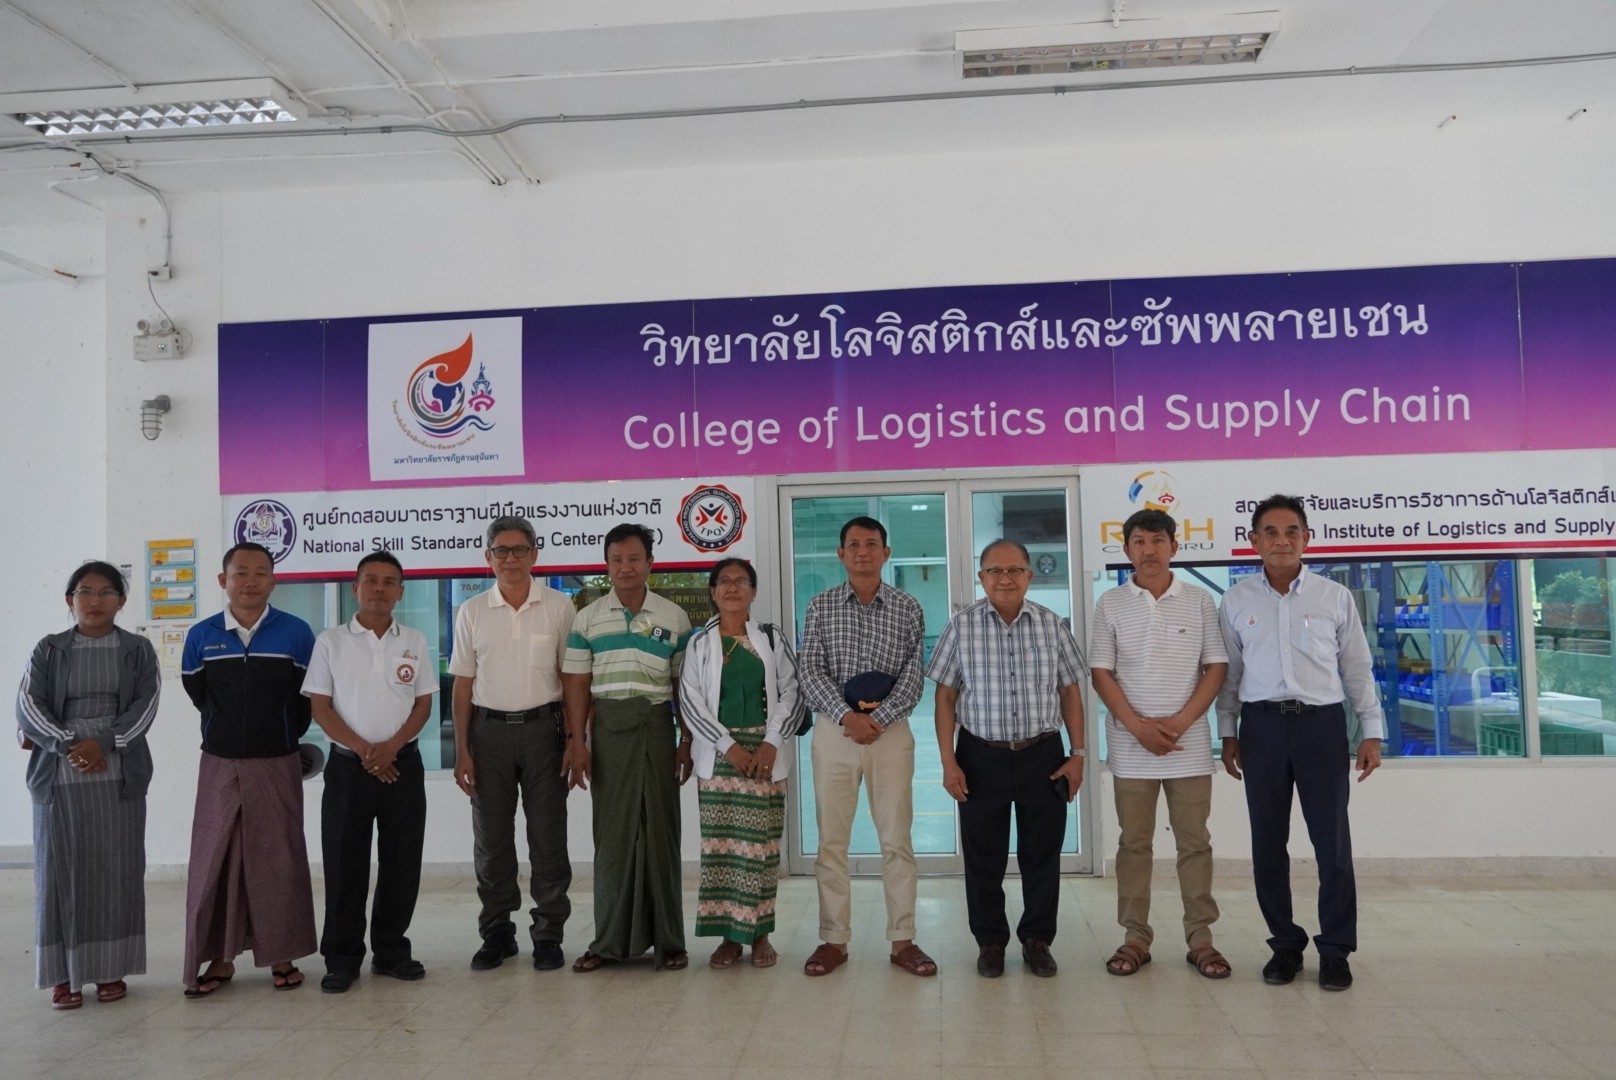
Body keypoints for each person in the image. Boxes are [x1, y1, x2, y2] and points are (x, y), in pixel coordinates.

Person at [1216, 494, 1384, 992]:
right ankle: (1285, 945)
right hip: (1262, 728)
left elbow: (1357, 669)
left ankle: (1335, 950)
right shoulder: (1236, 600)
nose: (1281, 540)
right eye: (1270, 532)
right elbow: (1230, 674)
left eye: (1292, 531)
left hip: (1321, 728)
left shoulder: (1334, 597)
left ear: (1307, 538)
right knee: (1268, 844)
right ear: (1254, 541)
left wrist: (1371, 731)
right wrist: (1228, 732)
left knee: (1332, 844)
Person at [928, 540, 1087, 979]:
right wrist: (949, 762)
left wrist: (1078, 755)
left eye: (1015, 570)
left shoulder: (1052, 625)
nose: (1005, 579)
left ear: (1029, 576)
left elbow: (1070, 691)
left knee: (1042, 854)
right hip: (980, 756)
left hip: (1043, 755)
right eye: (995, 571)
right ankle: (991, 942)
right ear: (981, 578)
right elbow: (945, 697)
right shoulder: (960, 627)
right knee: (983, 857)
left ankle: (1037, 940)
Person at [1090, 510, 1230, 980]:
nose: (1148, 550)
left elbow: (1216, 667)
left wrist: (1182, 722)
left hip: (1189, 748)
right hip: (1131, 750)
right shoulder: (1111, 603)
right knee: (1134, 845)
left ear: (1174, 546)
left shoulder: (1200, 601)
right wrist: (1137, 727)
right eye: (1139, 541)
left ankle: (1201, 939)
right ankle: (1135, 937)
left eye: (1157, 540)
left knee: (1195, 844)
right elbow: (1101, 672)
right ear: (1126, 549)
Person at [17, 562, 158, 1010]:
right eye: (85, 592)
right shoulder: (49, 649)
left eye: (105, 592)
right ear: (69, 599)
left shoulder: (138, 650)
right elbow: (28, 705)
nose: (95, 601)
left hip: (119, 771)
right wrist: (68, 745)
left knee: (116, 870)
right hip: (58, 772)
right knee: (58, 873)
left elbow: (146, 706)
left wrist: (105, 744)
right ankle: (63, 975)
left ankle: (110, 968)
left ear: (121, 601)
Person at [179, 542, 318, 996]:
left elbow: (305, 699)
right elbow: (200, 695)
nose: (251, 581)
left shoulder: (296, 633)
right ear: (224, 580)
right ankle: (219, 958)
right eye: (241, 573)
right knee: (215, 858)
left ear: (274, 581)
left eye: (261, 573)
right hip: (219, 761)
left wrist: (277, 734)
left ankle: (282, 954)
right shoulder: (201, 635)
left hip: (277, 760)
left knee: (279, 857)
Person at [798, 516, 933, 977]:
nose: (862, 552)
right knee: (832, 841)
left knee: (896, 838)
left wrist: (878, 719)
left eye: (871, 544)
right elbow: (810, 670)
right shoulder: (820, 607)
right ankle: (833, 940)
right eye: (853, 544)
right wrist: (847, 717)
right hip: (835, 733)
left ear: (885, 553)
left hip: (889, 735)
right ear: (841, 554)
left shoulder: (908, 607)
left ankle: (903, 940)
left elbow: (914, 673)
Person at [302, 550, 436, 992]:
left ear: (401, 592)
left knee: (402, 861)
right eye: (371, 580)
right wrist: (365, 751)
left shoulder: (413, 640)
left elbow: (423, 704)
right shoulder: (331, 642)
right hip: (348, 769)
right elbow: (320, 707)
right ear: (356, 587)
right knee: (345, 864)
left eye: (389, 582)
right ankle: (341, 958)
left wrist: (391, 748)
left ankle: (392, 950)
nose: (380, 588)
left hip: (403, 766)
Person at [448, 516, 577, 972]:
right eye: (501, 550)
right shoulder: (472, 610)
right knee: (492, 840)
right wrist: (462, 750)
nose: (510, 559)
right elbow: (463, 684)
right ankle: (497, 932)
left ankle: (548, 933)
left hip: (545, 732)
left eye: (519, 549)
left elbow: (572, 677)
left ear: (535, 554)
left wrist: (575, 739)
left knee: (548, 836)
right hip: (488, 736)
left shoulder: (560, 606)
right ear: (488, 557)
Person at [563, 523, 693, 972]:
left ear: (650, 563)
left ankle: (670, 942)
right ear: (607, 565)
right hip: (608, 734)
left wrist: (686, 740)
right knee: (613, 838)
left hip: (657, 729)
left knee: (661, 834)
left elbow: (684, 687)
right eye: (616, 560)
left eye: (634, 558)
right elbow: (576, 685)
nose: (625, 567)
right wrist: (577, 742)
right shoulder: (587, 618)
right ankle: (608, 942)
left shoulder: (674, 617)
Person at [679, 558, 805, 969]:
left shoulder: (770, 637)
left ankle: (760, 935)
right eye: (724, 581)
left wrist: (770, 742)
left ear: (753, 591)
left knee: (760, 851)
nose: (732, 588)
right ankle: (728, 938)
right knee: (722, 851)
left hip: (766, 758)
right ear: (713, 591)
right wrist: (728, 746)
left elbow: (793, 691)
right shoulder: (699, 643)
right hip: (720, 761)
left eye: (741, 581)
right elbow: (690, 703)